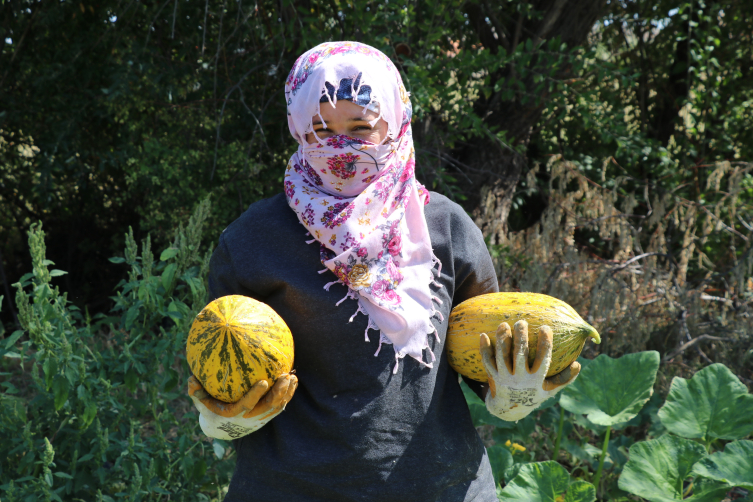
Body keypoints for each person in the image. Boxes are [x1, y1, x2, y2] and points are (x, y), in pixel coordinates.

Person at [187, 41, 580, 502]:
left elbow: (482, 362)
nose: (339, 148)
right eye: (319, 129)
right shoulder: (252, 239)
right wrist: (225, 417)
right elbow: (218, 373)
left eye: (360, 127)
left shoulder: (447, 228)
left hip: (444, 489)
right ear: (295, 128)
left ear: (395, 122)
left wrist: (516, 394)